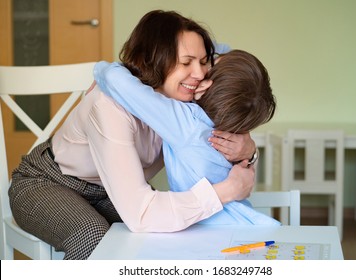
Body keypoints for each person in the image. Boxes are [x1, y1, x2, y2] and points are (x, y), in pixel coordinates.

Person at [8, 10, 256, 260]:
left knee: (171, 234)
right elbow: (142, 213)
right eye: (186, 62)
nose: (200, 74)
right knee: (91, 236)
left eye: (203, 62)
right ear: (154, 59)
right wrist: (226, 191)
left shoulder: (187, 98)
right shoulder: (110, 105)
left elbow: (230, 64)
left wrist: (249, 149)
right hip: (46, 182)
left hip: (111, 192)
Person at [94, 49, 280, 225]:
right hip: (244, 220)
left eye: (209, 64)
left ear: (209, 84)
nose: (199, 72)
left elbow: (114, 79)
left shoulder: (184, 121)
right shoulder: (234, 122)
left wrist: (101, 69)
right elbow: (227, 60)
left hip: (207, 228)